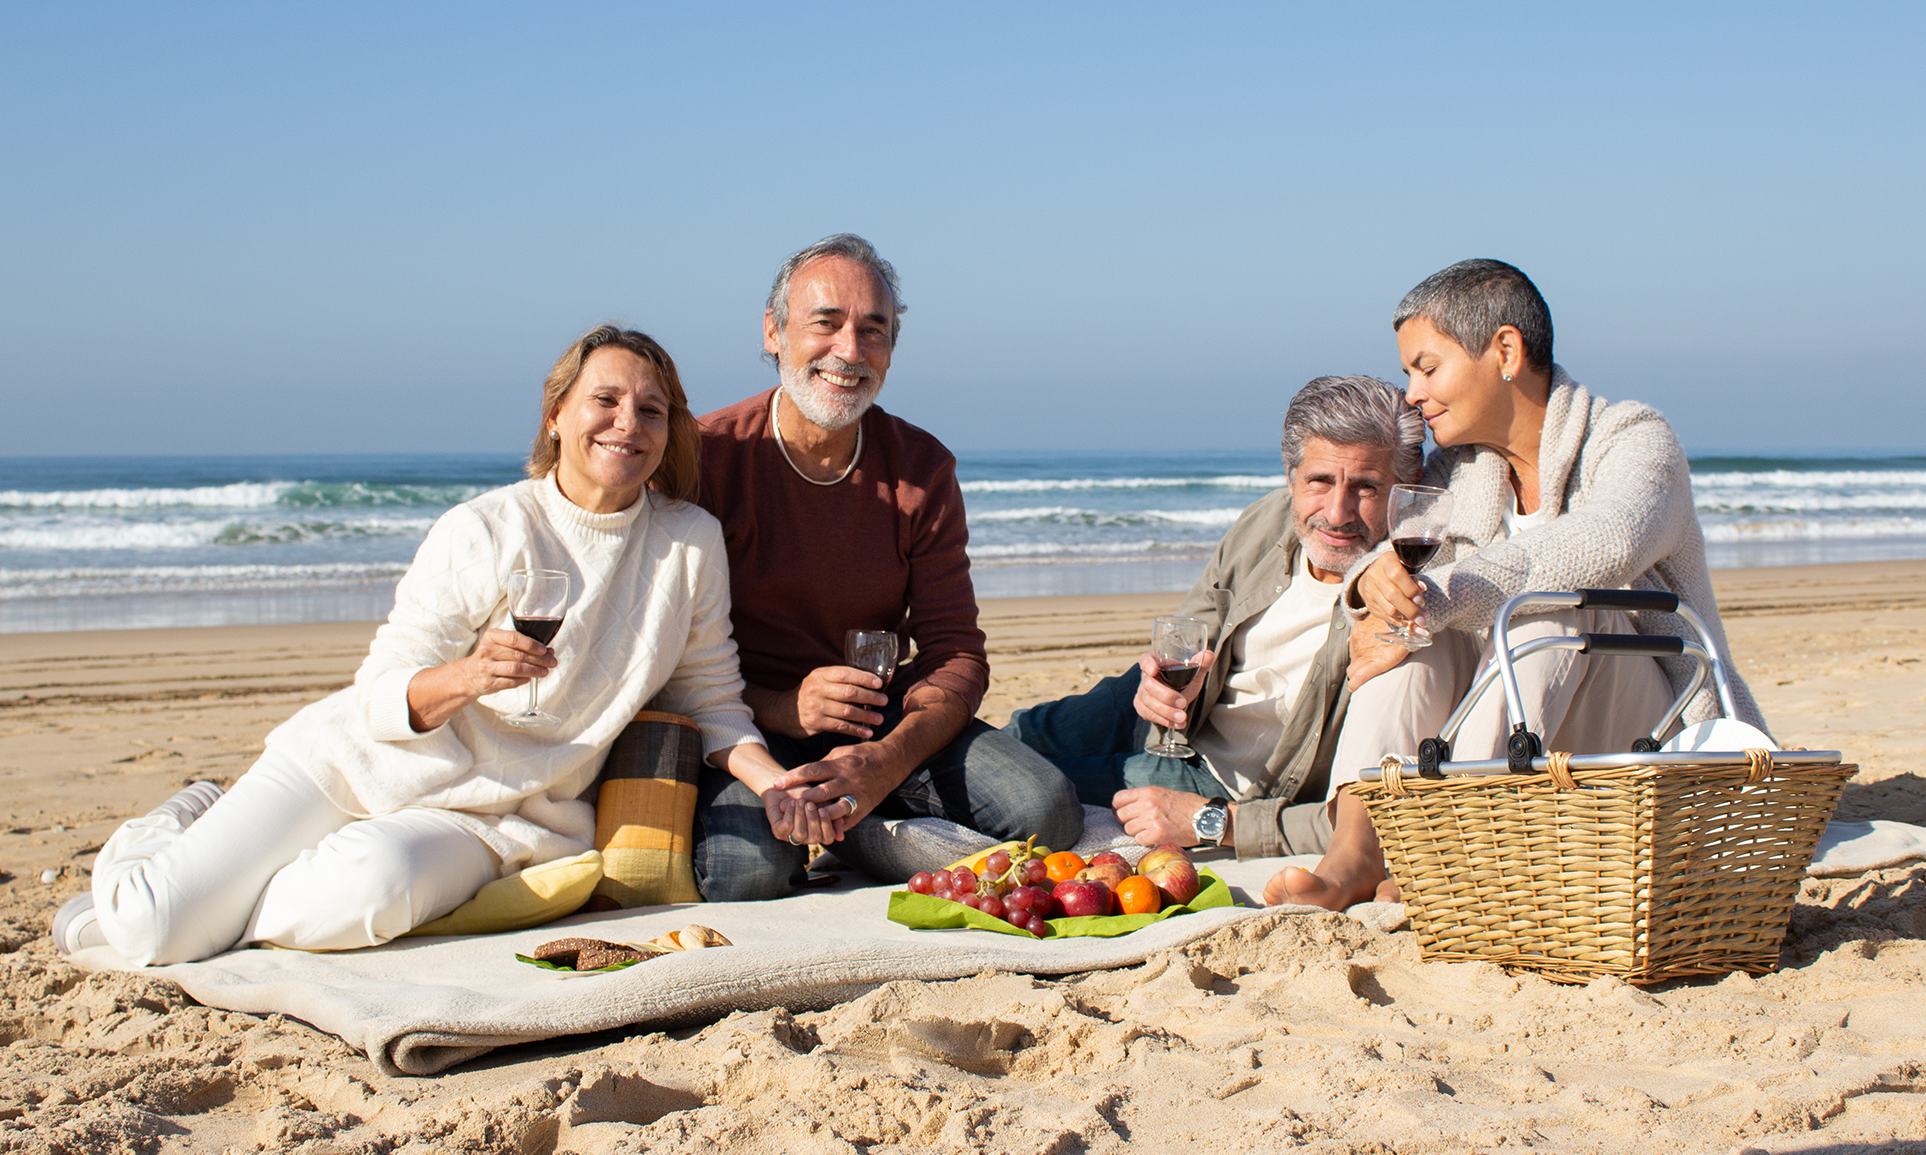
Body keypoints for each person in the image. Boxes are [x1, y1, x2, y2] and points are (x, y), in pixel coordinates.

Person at [58, 326, 830, 966]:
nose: (628, 422)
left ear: (670, 432)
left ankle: (210, 905)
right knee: (152, 926)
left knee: (367, 892)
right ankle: (183, 822)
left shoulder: (688, 544)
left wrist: (775, 786)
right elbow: (381, 689)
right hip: (356, 763)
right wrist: (465, 677)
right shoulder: (485, 527)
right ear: (557, 414)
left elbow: (711, 700)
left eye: (652, 410)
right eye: (606, 400)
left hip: (492, 818)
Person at [1265, 259, 1770, 911]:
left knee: (1547, 614)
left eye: (1427, 367)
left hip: (1652, 741)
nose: (1412, 394)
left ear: (1504, 351)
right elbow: (1390, 555)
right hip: (1526, 751)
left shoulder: (1635, 441)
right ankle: (1356, 854)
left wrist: (1441, 597)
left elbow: (1603, 544)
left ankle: (1454, 855)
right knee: (1414, 624)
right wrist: (1377, 587)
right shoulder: (1464, 469)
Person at [692, 233, 1082, 897]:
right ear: (774, 331)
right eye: (826, 323)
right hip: (742, 726)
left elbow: (956, 651)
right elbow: (666, 660)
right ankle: (862, 826)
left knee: (1046, 807)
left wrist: (884, 758)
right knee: (746, 874)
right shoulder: (707, 456)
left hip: (879, 723)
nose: (849, 350)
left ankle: (864, 826)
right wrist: (784, 707)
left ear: (892, 349)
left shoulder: (922, 467)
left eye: (873, 330)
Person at [1004, 376, 1425, 858]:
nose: (1337, 511)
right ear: (1291, 478)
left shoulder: (1403, 600)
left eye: (1367, 487)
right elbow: (1188, 631)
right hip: (1169, 719)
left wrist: (1214, 821)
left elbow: (1363, 822)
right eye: (1320, 481)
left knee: (1027, 790)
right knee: (1020, 733)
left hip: (1216, 780)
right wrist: (1155, 688)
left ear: (1402, 493)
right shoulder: (1267, 519)